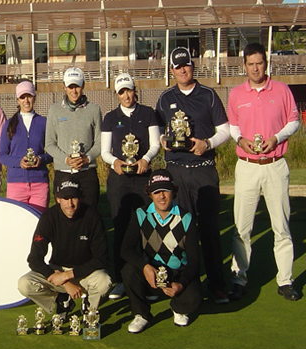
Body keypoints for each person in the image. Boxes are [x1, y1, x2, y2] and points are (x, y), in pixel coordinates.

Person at [155, 47, 231, 304]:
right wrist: (163, 140)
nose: (182, 70)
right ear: (171, 70)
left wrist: (207, 144)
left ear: (192, 65)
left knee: (209, 230)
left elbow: (225, 130)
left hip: (203, 170)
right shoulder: (165, 98)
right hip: (176, 172)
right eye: (177, 67)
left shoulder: (209, 95)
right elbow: (157, 131)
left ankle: (217, 284)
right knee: (180, 234)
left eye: (186, 65)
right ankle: (185, 283)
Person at [227, 42, 301, 301]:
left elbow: (294, 121)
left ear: (265, 64)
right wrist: (240, 140)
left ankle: (285, 280)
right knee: (241, 228)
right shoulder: (236, 93)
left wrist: (277, 138)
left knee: (281, 226)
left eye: (259, 63)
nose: (255, 68)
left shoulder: (281, 90)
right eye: (251, 63)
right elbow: (233, 126)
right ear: (244, 65)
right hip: (246, 166)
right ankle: (239, 277)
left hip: (275, 166)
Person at [101, 73, 160, 300]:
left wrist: (145, 159)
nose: (126, 95)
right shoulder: (110, 117)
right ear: (117, 94)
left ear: (135, 90)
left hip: (143, 177)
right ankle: (120, 280)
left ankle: (150, 281)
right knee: (121, 228)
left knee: (148, 229)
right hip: (120, 180)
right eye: (122, 92)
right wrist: (114, 162)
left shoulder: (148, 113)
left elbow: (155, 143)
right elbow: (106, 151)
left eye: (129, 90)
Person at [121, 169, 202, 333]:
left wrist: (181, 284)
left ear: (174, 191)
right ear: (149, 194)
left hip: (177, 273)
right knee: (128, 271)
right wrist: (145, 267)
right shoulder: (140, 214)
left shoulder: (186, 217)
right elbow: (126, 249)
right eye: (156, 192)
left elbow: (194, 260)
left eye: (166, 190)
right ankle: (141, 314)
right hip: (150, 273)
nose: (162, 196)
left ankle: (178, 308)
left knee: (195, 298)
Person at [18, 178, 112, 318]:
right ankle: (60, 301)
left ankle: (90, 312)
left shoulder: (92, 216)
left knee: (105, 282)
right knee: (24, 284)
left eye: (74, 197)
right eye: (65, 198)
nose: (70, 204)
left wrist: (68, 276)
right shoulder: (49, 217)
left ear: (81, 197)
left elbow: (101, 259)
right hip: (58, 270)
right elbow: (34, 259)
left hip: (86, 272)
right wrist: (60, 279)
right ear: (57, 199)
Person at [45, 67, 102, 207]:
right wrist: (66, 159)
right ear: (64, 87)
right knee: (65, 217)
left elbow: (100, 142)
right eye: (70, 86)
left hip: (87, 172)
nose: (74, 91)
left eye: (77, 86)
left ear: (83, 85)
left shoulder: (94, 110)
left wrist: (87, 158)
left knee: (90, 215)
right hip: (63, 172)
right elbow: (49, 144)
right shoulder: (54, 110)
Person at [0, 81, 52, 212]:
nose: (26, 100)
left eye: (29, 96)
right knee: (17, 224)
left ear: (34, 97)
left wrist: (40, 159)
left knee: (38, 224)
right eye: (22, 97)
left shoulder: (44, 122)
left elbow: (52, 152)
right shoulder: (10, 124)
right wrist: (19, 162)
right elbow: (2, 156)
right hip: (16, 184)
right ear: (17, 99)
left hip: (39, 183)